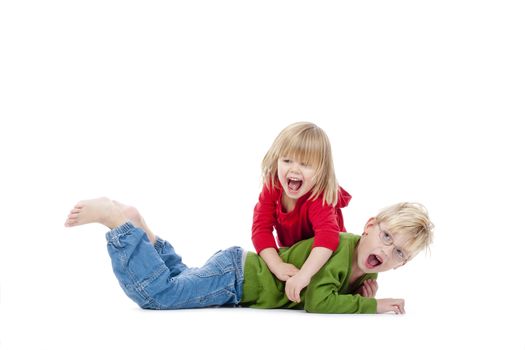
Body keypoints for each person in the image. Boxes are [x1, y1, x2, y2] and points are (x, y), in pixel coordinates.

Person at [64, 197, 434, 314]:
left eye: (399, 252)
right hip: (238, 278)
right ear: (369, 226)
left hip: (235, 271)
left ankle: (142, 230)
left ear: (405, 263)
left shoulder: (366, 274)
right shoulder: (337, 246)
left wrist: (360, 292)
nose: (386, 251)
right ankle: (118, 226)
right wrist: (374, 306)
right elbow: (319, 301)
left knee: (181, 278)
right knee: (161, 296)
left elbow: (333, 293)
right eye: (386, 236)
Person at [252, 122, 352, 302]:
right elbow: (261, 229)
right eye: (287, 160)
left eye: (305, 164)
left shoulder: (318, 197)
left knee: (323, 291)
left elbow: (327, 238)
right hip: (297, 253)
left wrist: (304, 276)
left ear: (321, 171)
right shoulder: (273, 185)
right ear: (277, 160)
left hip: (330, 256)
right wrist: (277, 266)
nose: (294, 169)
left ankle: (355, 284)